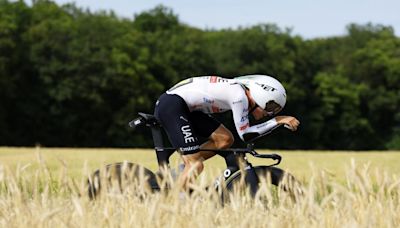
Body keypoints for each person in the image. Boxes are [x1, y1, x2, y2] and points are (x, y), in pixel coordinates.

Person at [154, 75, 300, 189]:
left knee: (224, 140)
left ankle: (182, 171)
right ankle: (170, 201)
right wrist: (277, 121)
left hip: (185, 107)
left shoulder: (239, 91)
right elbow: (246, 134)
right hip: (173, 105)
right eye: (270, 106)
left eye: (275, 111)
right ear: (260, 95)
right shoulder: (239, 96)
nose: (270, 113)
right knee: (195, 165)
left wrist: (275, 122)